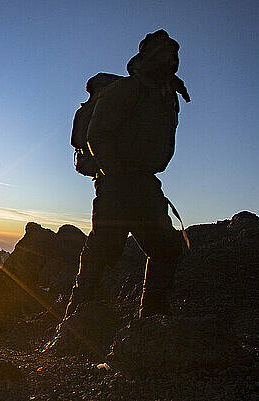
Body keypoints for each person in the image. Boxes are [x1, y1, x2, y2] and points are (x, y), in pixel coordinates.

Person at [63, 30, 191, 324]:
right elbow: (97, 134)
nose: (171, 60)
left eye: (174, 55)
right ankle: (75, 321)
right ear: (148, 57)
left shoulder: (166, 96)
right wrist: (114, 173)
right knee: (105, 247)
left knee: (166, 247)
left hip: (145, 182)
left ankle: (153, 319)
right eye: (164, 54)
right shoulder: (128, 89)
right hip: (117, 182)